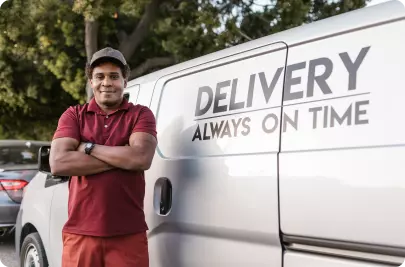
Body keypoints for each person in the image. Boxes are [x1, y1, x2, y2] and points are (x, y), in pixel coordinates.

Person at [49, 47, 158, 267]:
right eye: (99, 76)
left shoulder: (140, 114)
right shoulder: (74, 115)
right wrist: (122, 155)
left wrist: (87, 147)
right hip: (80, 233)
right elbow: (59, 162)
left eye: (114, 76)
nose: (106, 82)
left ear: (125, 81)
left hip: (128, 234)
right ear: (91, 81)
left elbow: (140, 158)